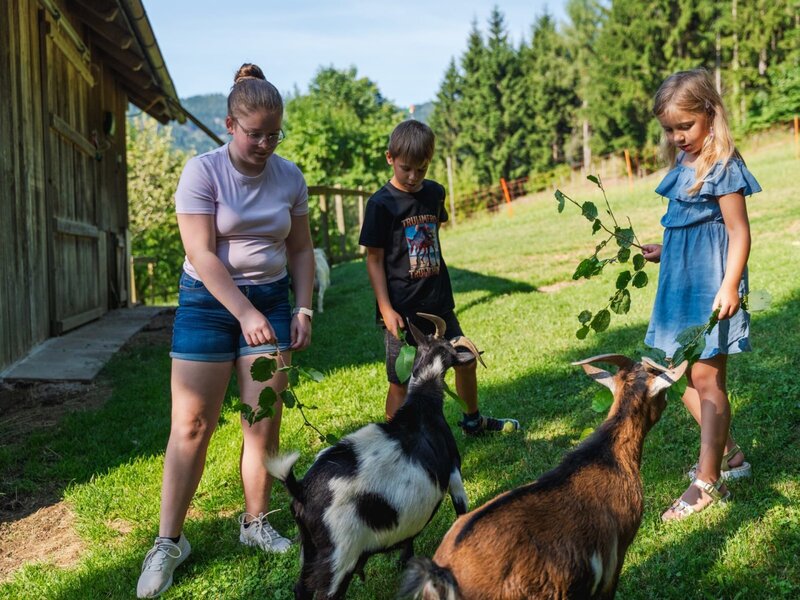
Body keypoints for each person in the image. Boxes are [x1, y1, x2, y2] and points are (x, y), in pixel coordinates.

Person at [137, 63, 315, 598]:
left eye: (273, 134)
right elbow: (200, 253)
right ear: (229, 125)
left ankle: (255, 523)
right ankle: (169, 542)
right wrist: (244, 313)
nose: (264, 143)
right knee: (192, 423)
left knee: (262, 419)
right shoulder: (202, 172)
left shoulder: (290, 176)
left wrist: (302, 309)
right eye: (254, 133)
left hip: (271, 298)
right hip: (209, 302)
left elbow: (301, 249)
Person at [641, 68, 760, 522]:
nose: (676, 137)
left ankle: (707, 482)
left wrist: (730, 285)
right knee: (673, 372)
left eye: (684, 126)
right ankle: (729, 455)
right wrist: (663, 248)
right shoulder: (682, 166)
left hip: (712, 285)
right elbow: (689, 226)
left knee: (708, 380)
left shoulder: (724, 165)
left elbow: (738, 232)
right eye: (669, 129)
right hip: (677, 282)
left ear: (710, 115)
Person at [358, 120, 519, 434]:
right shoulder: (381, 204)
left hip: (439, 306)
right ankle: (396, 442)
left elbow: (434, 229)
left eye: (422, 169)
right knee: (401, 381)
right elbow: (374, 259)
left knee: (467, 359)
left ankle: (472, 421)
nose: (414, 176)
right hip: (401, 312)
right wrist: (386, 309)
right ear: (389, 157)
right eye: (406, 168)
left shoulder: (434, 192)